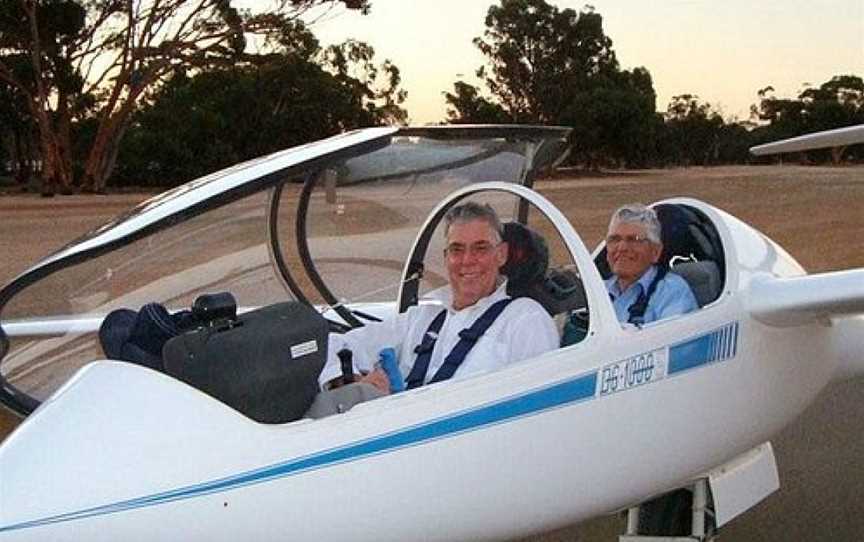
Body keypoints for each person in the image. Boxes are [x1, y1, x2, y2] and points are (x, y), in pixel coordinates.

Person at [317, 202, 560, 394]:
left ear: (501, 255)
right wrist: (350, 382)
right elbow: (332, 345)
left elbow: (538, 406)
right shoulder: (421, 318)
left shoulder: (526, 319)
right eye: (457, 249)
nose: (467, 260)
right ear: (446, 258)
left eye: (480, 248)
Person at [603, 203, 698, 325]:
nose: (622, 248)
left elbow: (670, 341)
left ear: (655, 252)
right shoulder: (597, 291)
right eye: (614, 239)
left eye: (633, 240)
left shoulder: (672, 292)